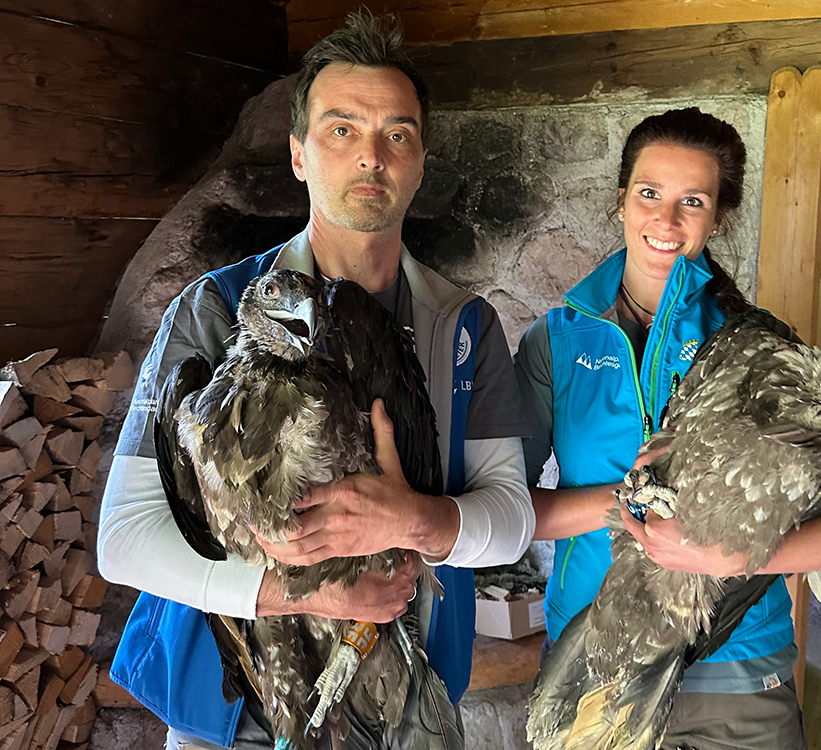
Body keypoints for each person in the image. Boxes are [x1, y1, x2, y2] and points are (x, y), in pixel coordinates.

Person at [97, 12, 534, 750]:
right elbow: (124, 540)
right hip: (230, 711)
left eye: (397, 133)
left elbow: (511, 521)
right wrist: (299, 589)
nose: (371, 156)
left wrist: (413, 520)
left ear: (420, 160)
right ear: (300, 154)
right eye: (341, 129)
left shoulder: (463, 328)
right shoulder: (213, 310)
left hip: (398, 702)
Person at [513, 107, 821, 750]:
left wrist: (740, 552)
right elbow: (506, 508)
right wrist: (628, 504)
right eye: (649, 194)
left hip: (740, 669)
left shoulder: (762, 347)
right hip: (597, 660)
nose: (666, 221)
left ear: (717, 217)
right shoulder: (552, 343)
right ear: (621, 202)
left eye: (692, 201)